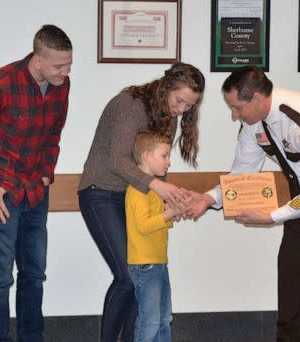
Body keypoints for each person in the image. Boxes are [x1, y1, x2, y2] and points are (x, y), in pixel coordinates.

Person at [185, 66, 300, 342]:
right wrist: (208, 198)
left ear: (257, 98)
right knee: (293, 275)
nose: (234, 115)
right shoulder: (252, 123)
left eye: (237, 107)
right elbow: (241, 176)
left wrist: (272, 215)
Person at [0, 24, 72, 342]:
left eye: (68, 65)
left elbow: (54, 134)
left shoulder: (61, 86)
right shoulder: (1, 83)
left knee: (34, 275)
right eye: (58, 66)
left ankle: (31, 337)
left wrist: (48, 170)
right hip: (2, 194)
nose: (64, 73)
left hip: (37, 191)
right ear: (37, 59)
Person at [78, 63, 205, 342]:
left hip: (135, 194)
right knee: (128, 275)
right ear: (165, 88)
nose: (182, 109)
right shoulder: (131, 105)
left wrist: (166, 202)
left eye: (190, 105)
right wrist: (159, 187)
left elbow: (159, 165)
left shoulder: (168, 115)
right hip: (101, 191)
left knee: (141, 276)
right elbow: (118, 160)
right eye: (179, 100)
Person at [126, 129, 183, 342]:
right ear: (146, 156)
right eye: (164, 155)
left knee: (163, 318)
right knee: (150, 320)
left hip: (158, 262)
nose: (168, 162)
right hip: (145, 264)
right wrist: (168, 213)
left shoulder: (154, 190)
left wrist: (171, 214)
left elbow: (156, 222)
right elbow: (143, 226)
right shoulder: (138, 190)